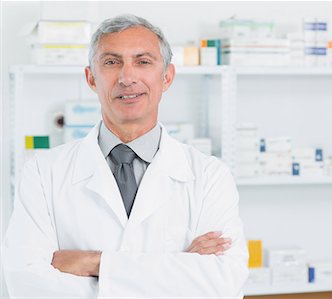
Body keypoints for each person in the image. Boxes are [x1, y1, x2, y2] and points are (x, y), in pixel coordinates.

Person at [3, 14, 249, 298]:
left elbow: (224, 284)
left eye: (143, 62)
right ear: (91, 78)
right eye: (111, 62)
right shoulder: (43, 172)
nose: (127, 77)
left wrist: (96, 263)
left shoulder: (209, 176)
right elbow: (26, 284)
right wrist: (179, 267)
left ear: (167, 76)